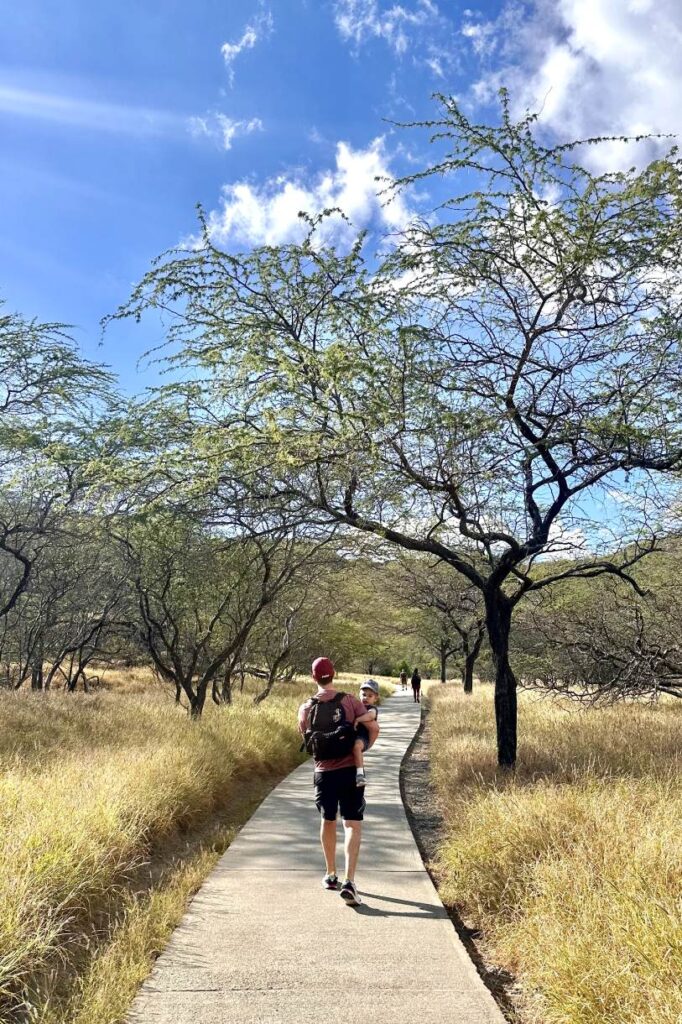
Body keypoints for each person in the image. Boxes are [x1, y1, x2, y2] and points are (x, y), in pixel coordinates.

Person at [298, 656, 367, 906]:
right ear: (334, 674)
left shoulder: (305, 707)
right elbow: (369, 724)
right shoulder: (349, 700)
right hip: (350, 770)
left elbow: (305, 738)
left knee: (327, 820)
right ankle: (349, 882)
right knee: (352, 824)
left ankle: (330, 875)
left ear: (313, 677)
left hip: (322, 773)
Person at [352, 679, 380, 788]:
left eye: (370, 696)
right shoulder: (357, 706)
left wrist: (358, 719)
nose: (366, 698)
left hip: (363, 737)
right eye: (363, 695)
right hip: (353, 735)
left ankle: (360, 774)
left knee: (356, 746)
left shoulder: (371, 708)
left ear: (376, 697)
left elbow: (371, 716)